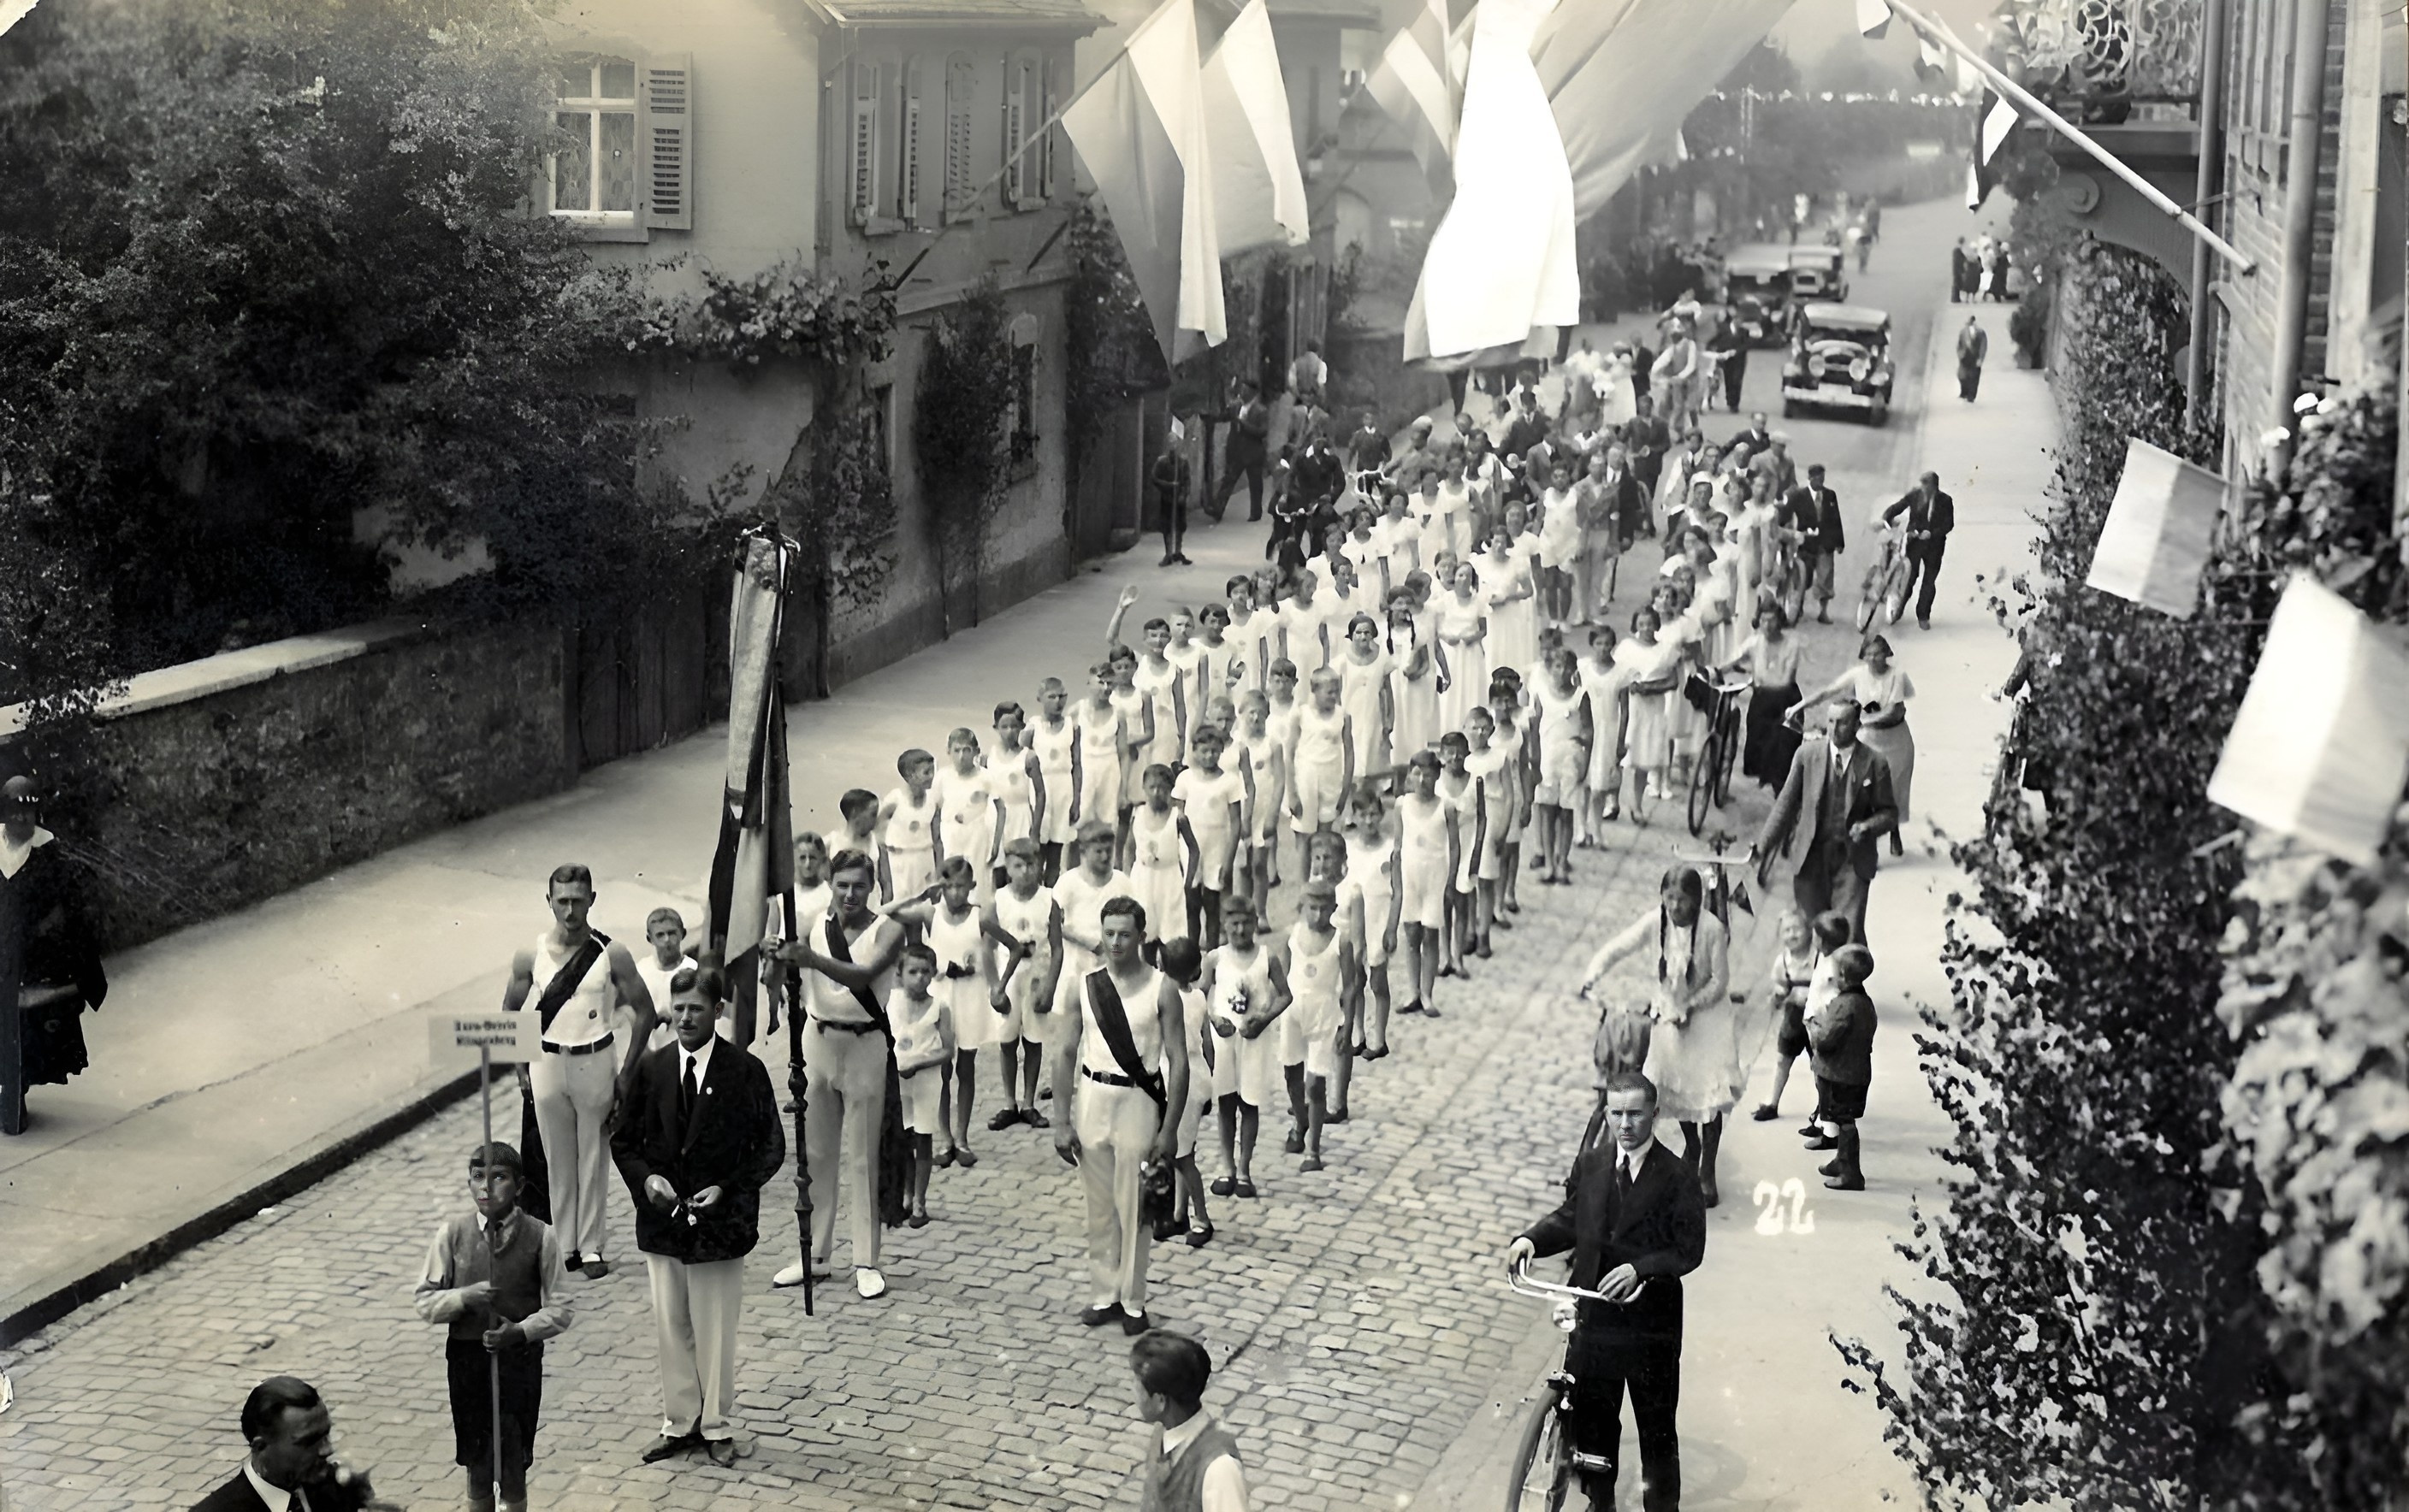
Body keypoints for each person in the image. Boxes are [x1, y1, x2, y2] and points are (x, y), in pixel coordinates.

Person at [1504, 1072, 1706, 1512]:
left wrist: (1642, 1269)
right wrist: (1532, 1240)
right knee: (1594, 1423)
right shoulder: (1593, 1163)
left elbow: (1689, 1250)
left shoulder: (1677, 1176)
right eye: (1616, 1114)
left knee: (1655, 1429)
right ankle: (1601, 1503)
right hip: (1594, 1317)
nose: (1625, 1124)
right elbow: (1572, 1215)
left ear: (1654, 1113)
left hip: (1649, 1326)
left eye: (1635, 1113)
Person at [613, 966, 784, 1468]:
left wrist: (727, 1188)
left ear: (718, 1012)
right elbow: (623, 1141)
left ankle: (716, 1424)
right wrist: (647, 1180)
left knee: (714, 1328)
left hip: (720, 1225)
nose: (686, 1018)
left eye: (697, 1009)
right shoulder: (652, 1068)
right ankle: (679, 1422)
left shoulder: (744, 1071)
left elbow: (769, 1146)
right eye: (680, 1008)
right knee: (671, 1324)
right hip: (663, 1221)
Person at [500, 864, 654, 1279]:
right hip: (548, 1061)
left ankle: (590, 1247)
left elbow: (645, 1012)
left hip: (595, 1058)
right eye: (562, 901)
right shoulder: (529, 954)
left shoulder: (610, 953)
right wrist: (519, 1066)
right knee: (556, 1156)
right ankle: (564, 1243)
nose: (570, 910)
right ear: (549, 901)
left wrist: (626, 1073)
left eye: (578, 900)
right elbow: (510, 1011)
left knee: (593, 1155)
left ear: (592, 900)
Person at [1053, 896, 1191, 1334]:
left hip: (1138, 1099)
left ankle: (1133, 1301)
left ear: (1141, 936)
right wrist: (1060, 1119)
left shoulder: (1161, 987)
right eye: (1109, 933)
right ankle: (1104, 1294)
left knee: (1136, 1206)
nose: (1115, 942)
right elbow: (1065, 1050)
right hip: (1094, 1095)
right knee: (1099, 1208)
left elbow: (1179, 1059)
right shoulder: (1085, 984)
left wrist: (1169, 1129)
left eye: (1125, 934)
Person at [772, 848, 906, 1299]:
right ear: (831, 884)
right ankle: (817, 1255)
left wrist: (808, 958)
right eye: (842, 885)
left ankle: (866, 1260)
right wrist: (779, 958)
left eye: (859, 885)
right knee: (817, 1153)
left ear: (873, 888)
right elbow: (793, 979)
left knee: (863, 1155)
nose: (850, 894)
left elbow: (862, 975)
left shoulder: (890, 931)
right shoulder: (815, 925)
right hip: (819, 1040)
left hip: (866, 1042)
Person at [413, 1141, 573, 1512]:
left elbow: (562, 1308)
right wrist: (463, 1298)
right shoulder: (452, 1235)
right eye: (478, 1177)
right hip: (468, 1362)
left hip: (518, 1362)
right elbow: (424, 1301)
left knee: (513, 1458)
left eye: (499, 1177)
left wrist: (519, 1331)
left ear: (518, 1187)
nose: (486, 1187)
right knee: (477, 1460)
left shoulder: (541, 1236)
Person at [1575, 866, 1737, 1204]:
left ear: (1697, 900)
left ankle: (1707, 1169)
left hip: (1706, 1017)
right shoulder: (1655, 922)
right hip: (1668, 1015)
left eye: (1683, 900)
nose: (1676, 907)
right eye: (1670, 898)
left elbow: (1719, 982)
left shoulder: (1711, 929)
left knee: (1707, 1093)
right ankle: (1692, 1150)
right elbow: (1622, 945)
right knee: (1672, 1090)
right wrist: (1593, 974)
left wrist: (1691, 1006)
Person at [1, 775, 108, 1136]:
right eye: (15, 813)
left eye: (27, 814)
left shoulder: (48, 853)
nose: (21, 821)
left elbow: (67, 907)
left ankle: (18, 1095)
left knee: (29, 1029)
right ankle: (10, 1093)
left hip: (34, 959)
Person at [1750, 703, 1897, 941]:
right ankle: (1814, 976)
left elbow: (1889, 814)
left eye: (1842, 722)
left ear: (1857, 725)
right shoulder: (1807, 756)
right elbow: (1785, 805)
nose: (1834, 729)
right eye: (1830, 721)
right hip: (1811, 858)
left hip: (1852, 861)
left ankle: (1848, 974)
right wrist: (1763, 846)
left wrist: (1868, 826)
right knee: (1811, 930)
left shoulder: (1874, 762)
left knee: (1847, 932)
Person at [192, 1377, 388, 1511]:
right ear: (261, 1447)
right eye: (309, 1441)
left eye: (326, 1435)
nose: (327, 1449)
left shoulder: (335, 1491)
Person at [1132, 1329, 1251, 1512]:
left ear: (1160, 1401)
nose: (1134, 1392)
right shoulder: (1163, 1434)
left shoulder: (1219, 1468)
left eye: (1138, 1384)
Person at [1807, 942, 1876, 1189]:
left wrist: (1816, 1027)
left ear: (1844, 977)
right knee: (1841, 1117)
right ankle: (1842, 1160)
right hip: (1856, 1071)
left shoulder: (1844, 1006)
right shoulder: (1864, 1002)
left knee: (1845, 1121)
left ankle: (1852, 1173)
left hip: (1840, 1074)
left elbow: (1826, 1039)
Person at [1717, 600, 1807, 791]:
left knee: (1785, 744)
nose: (1767, 625)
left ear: (1780, 621)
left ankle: (1781, 785)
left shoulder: (1792, 645)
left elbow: (1786, 678)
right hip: (1763, 698)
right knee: (1759, 738)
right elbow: (1732, 661)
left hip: (1786, 699)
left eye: (1772, 620)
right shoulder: (1754, 642)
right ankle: (1765, 774)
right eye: (1763, 620)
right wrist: (1714, 672)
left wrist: (1757, 681)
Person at [1880, 472, 1956, 631]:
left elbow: (1949, 524)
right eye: (1922, 484)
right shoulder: (1915, 495)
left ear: (1935, 486)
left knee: (1929, 581)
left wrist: (1933, 533)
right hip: (1914, 543)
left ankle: (1923, 616)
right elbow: (1898, 507)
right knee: (1909, 577)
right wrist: (1887, 517)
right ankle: (1898, 609)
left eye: (1927, 485)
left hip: (1934, 546)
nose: (1923, 488)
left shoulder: (1945, 500)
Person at [1779, 464, 1845, 623]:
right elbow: (1786, 514)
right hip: (1805, 544)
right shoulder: (1799, 496)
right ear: (1810, 478)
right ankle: (1798, 605)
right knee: (1803, 578)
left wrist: (1839, 542)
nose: (1820, 482)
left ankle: (1823, 611)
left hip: (1825, 543)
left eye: (1822, 479)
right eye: (1817, 479)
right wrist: (1782, 531)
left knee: (1825, 577)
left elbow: (1836, 519)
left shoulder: (1830, 495)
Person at [1219, 381, 1271, 523]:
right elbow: (1224, 417)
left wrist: (1243, 424)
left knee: (1255, 484)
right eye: (1241, 389)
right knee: (1229, 479)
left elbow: (1262, 431)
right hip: (1237, 451)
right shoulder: (1236, 406)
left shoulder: (1261, 411)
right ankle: (1218, 509)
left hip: (1253, 453)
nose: (1242, 392)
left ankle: (1256, 513)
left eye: (1245, 390)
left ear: (1253, 393)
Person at [1956, 316, 1989, 404]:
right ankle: (1964, 392)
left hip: (1975, 357)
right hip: (1965, 357)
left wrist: (1981, 359)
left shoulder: (1980, 332)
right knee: (1962, 376)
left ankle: (1971, 396)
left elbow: (1983, 346)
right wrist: (1960, 355)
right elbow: (1959, 345)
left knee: (1974, 377)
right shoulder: (1963, 332)